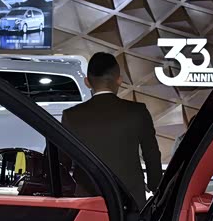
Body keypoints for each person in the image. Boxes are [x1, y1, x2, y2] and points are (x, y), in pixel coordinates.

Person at [61, 52, 162, 207]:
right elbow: (152, 155)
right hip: (131, 200)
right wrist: (155, 187)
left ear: (87, 82)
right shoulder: (138, 111)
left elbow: (62, 161)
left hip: (88, 201)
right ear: (119, 80)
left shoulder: (71, 116)